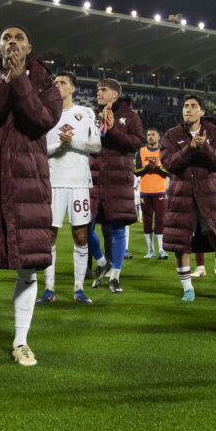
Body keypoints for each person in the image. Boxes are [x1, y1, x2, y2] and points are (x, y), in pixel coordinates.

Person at [0, 25, 61, 366]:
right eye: (6, 38)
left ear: (30, 47)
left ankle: (21, 342)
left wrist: (20, 81)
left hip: (29, 187)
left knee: (28, 268)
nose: (12, 42)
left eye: (18, 38)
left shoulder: (45, 84)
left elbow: (39, 121)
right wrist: (5, 82)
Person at [160, 94, 216, 303]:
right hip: (180, 198)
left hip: (208, 197)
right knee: (180, 244)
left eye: (193, 106)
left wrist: (205, 147)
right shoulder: (171, 135)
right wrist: (190, 148)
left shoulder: (215, 134)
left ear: (202, 111)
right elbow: (169, 164)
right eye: (186, 106)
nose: (188, 109)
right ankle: (187, 288)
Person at [38, 71, 101, 305]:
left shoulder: (85, 113)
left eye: (62, 82)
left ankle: (79, 289)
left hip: (78, 183)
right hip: (53, 182)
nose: (58, 85)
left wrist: (71, 142)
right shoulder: (45, 114)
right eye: (55, 82)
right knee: (49, 236)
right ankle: (49, 288)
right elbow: (39, 149)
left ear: (72, 88)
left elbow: (96, 146)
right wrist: (59, 147)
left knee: (81, 235)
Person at [87, 79, 143, 293]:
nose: (98, 93)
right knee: (84, 225)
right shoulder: (91, 115)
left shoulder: (131, 117)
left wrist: (111, 130)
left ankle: (115, 277)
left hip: (119, 179)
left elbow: (135, 143)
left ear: (115, 94)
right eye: (97, 90)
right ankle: (102, 262)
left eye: (103, 90)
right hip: (94, 178)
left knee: (118, 228)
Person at [135, 128, 168, 259]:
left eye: (153, 134)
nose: (150, 137)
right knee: (147, 221)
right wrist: (149, 167)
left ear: (159, 137)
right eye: (148, 135)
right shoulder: (141, 151)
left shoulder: (164, 152)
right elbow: (136, 171)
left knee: (160, 220)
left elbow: (169, 171)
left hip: (159, 191)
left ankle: (161, 250)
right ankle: (150, 250)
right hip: (145, 192)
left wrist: (157, 168)